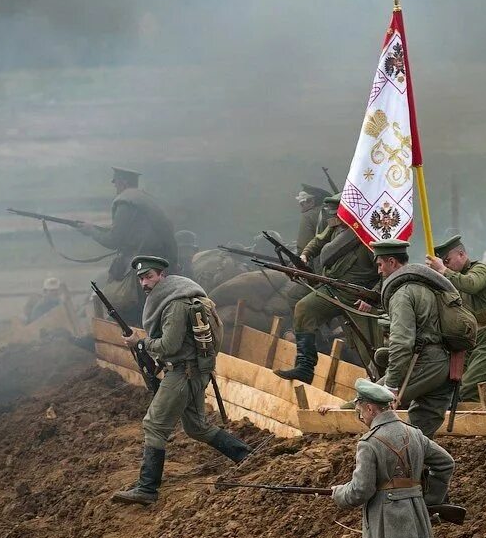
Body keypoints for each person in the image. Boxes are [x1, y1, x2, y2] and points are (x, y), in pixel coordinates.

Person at [112, 256, 251, 506]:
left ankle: (147, 488)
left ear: (162, 276)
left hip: (183, 373)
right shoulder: (177, 296)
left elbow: (168, 345)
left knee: (154, 425)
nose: (144, 282)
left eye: (149, 276)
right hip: (194, 371)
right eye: (141, 278)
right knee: (196, 427)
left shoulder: (175, 304)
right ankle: (246, 455)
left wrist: (140, 342)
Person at [332, 378, 453, 538]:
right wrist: (427, 501)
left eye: (360, 411)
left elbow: (361, 490)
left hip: (386, 518)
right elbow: (445, 464)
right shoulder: (414, 433)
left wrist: (339, 493)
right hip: (415, 512)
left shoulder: (368, 444)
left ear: (370, 408)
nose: (360, 417)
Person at [275, 194, 377, 384]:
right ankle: (305, 367)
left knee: (369, 347)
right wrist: (305, 256)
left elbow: (387, 272)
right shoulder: (336, 226)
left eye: (339, 216)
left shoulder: (371, 235)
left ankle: (380, 386)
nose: (335, 220)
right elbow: (317, 241)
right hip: (333, 287)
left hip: (360, 297)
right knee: (304, 308)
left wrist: (371, 298)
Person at [371, 239, 456, 439]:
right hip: (447, 364)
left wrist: (391, 385)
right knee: (421, 435)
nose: (379, 271)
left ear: (392, 262)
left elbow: (401, 344)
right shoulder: (428, 285)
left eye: (380, 264)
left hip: (423, 362)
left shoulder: (402, 294)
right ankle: (431, 470)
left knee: (370, 401)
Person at [77, 167, 177, 325]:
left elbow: (114, 240)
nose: (115, 187)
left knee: (125, 310)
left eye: (116, 183)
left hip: (140, 270)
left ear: (122, 182)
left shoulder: (125, 201)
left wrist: (91, 232)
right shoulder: (146, 200)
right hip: (159, 266)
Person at [426, 235, 486, 402]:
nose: (446, 265)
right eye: (443, 262)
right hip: (473, 340)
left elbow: (471, 284)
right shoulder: (456, 279)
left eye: (447, 260)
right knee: (455, 387)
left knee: (469, 390)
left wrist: (443, 271)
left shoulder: (481, 270)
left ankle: (477, 426)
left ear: (461, 254)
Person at [296, 184, 330, 251]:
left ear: (311, 201)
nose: (301, 210)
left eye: (302, 204)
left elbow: (303, 248)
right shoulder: (335, 213)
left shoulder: (308, 216)